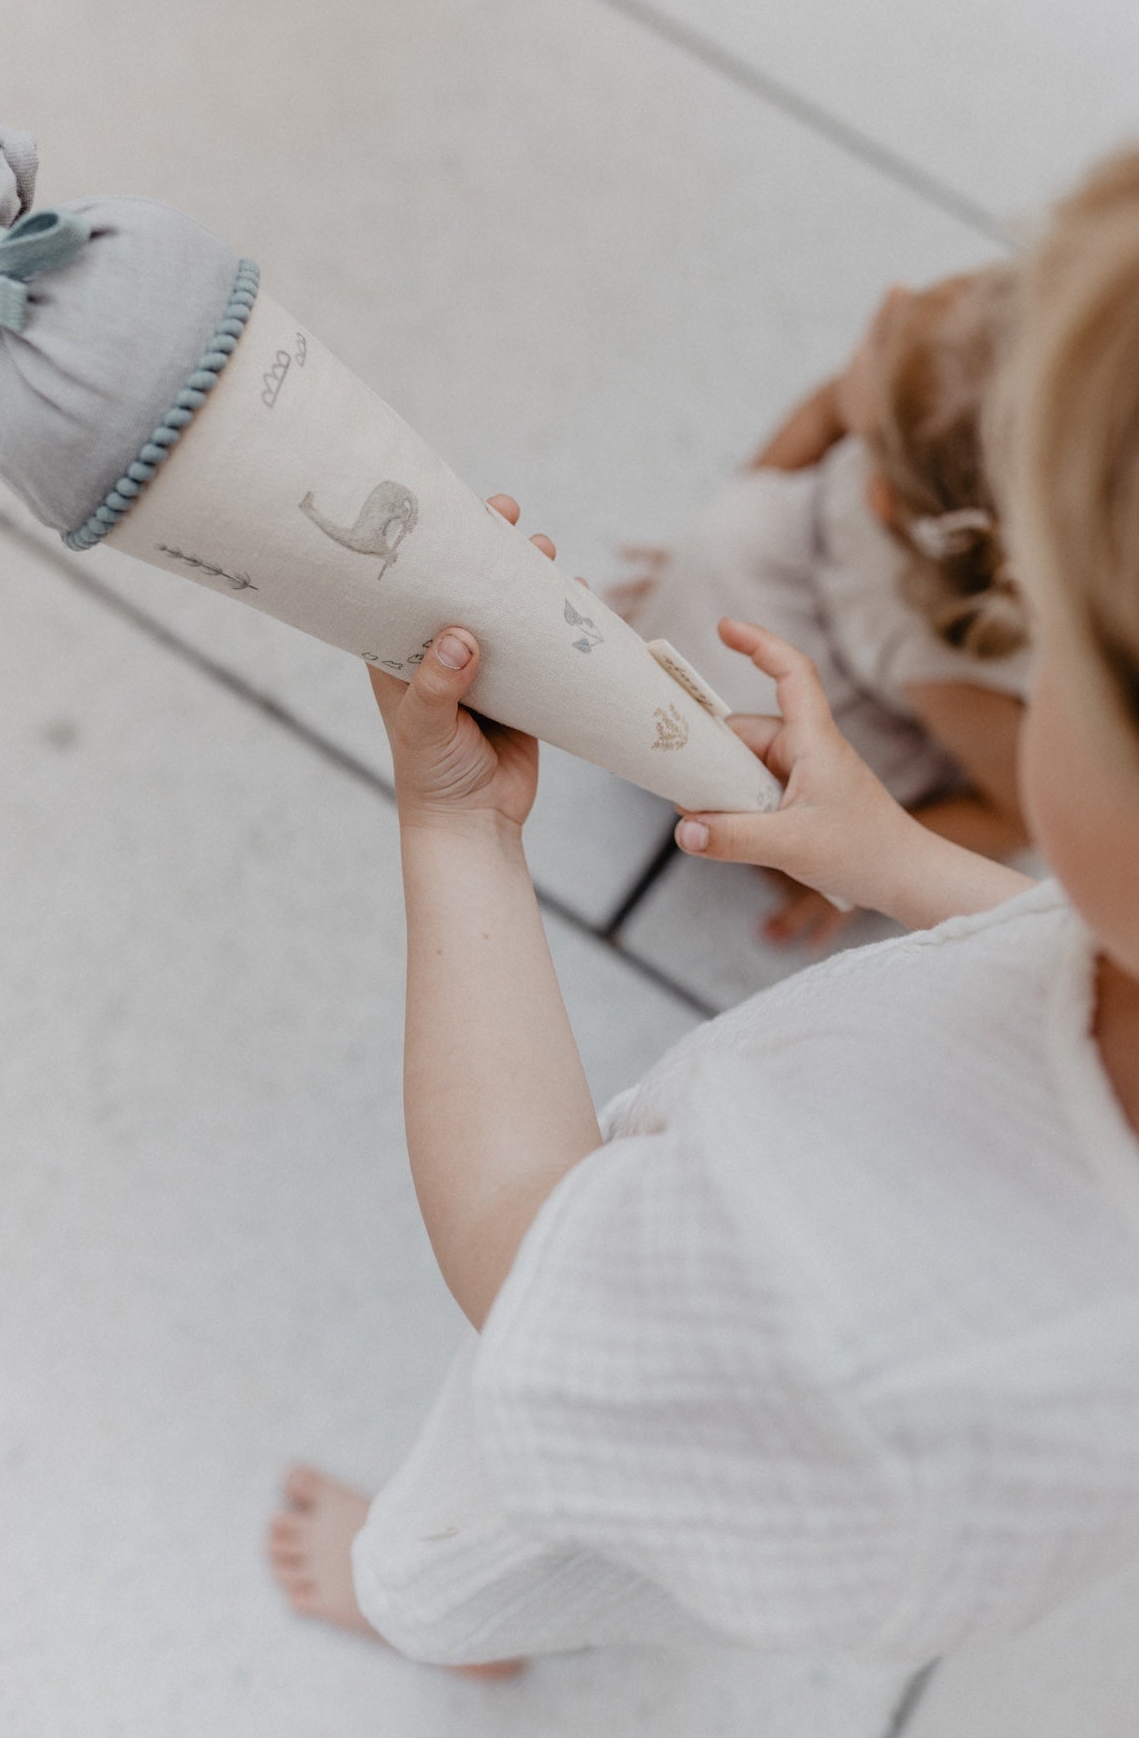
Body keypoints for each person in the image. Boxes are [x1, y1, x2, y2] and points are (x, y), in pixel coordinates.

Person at [268, 149, 1139, 1668]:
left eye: (1051, 648)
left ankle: (434, 1620)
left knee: (487, 1533)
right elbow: (1073, 945)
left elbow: (529, 1258)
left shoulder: (863, 1306)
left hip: (676, 1418)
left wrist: (458, 825)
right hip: (824, 1463)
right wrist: (886, 857)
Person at [610, 264, 1032, 948]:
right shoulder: (915, 417)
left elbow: (1016, 814)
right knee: (723, 551)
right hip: (793, 565)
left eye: (889, 327)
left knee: (743, 750)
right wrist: (730, 535)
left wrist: (861, 865)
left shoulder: (944, 664)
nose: (891, 294)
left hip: (839, 695)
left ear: (881, 497)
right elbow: (821, 415)